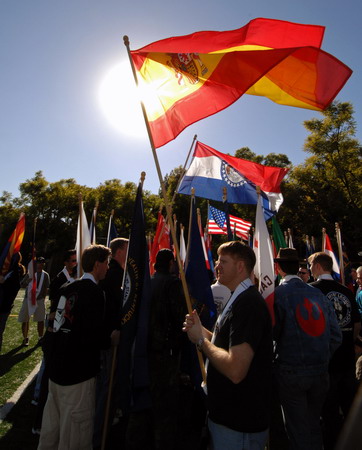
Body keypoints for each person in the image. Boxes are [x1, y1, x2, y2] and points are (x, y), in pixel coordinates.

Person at [183, 241, 273, 450]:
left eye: (223, 261)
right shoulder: (239, 298)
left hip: (239, 424)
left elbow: (235, 369)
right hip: (229, 419)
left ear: (240, 267)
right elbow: (228, 344)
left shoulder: (248, 304)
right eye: (217, 260)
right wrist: (202, 331)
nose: (217, 266)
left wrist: (200, 340)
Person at [38, 244, 111, 450]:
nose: (107, 268)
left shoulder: (67, 288)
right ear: (97, 264)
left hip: (56, 372)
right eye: (106, 263)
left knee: (50, 433)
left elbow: (57, 326)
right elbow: (93, 334)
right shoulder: (95, 292)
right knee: (75, 438)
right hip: (78, 375)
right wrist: (109, 338)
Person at [273, 248, 342, 450]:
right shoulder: (317, 294)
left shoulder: (278, 295)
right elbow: (335, 336)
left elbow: (273, 333)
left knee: (298, 430)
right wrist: (321, 358)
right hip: (319, 372)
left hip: (291, 372)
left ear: (278, 268)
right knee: (313, 426)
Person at [126, 248, 186, 450]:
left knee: (146, 399)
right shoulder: (172, 283)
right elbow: (179, 316)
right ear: (170, 264)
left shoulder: (149, 281)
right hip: (165, 353)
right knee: (165, 406)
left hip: (147, 349)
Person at [308, 251, 361, 449]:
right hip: (346, 357)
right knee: (348, 409)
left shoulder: (311, 290)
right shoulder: (346, 291)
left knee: (329, 411)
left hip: (326, 361)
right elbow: (356, 324)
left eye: (311, 264)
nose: (310, 268)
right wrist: (348, 342)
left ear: (319, 266)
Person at [93, 237, 129, 448]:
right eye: (127, 248)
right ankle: (99, 433)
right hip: (109, 340)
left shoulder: (115, 273)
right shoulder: (114, 274)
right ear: (118, 252)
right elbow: (115, 307)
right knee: (106, 386)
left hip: (108, 337)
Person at [18, 256, 50, 346]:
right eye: (39, 263)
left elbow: (46, 288)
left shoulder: (45, 275)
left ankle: (40, 338)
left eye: (42, 263)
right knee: (25, 319)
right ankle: (25, 338)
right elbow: (22, 284)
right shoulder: (30, 273)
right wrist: (28, 281)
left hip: (39, 300)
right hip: (28, 299)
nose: (40, 265)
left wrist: (43, 299)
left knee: (40, 320)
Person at [0, 253, 26, 353]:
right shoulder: (5, 270)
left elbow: (13, 289)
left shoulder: (15, 273)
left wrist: (3, 283)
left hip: (4, 307)